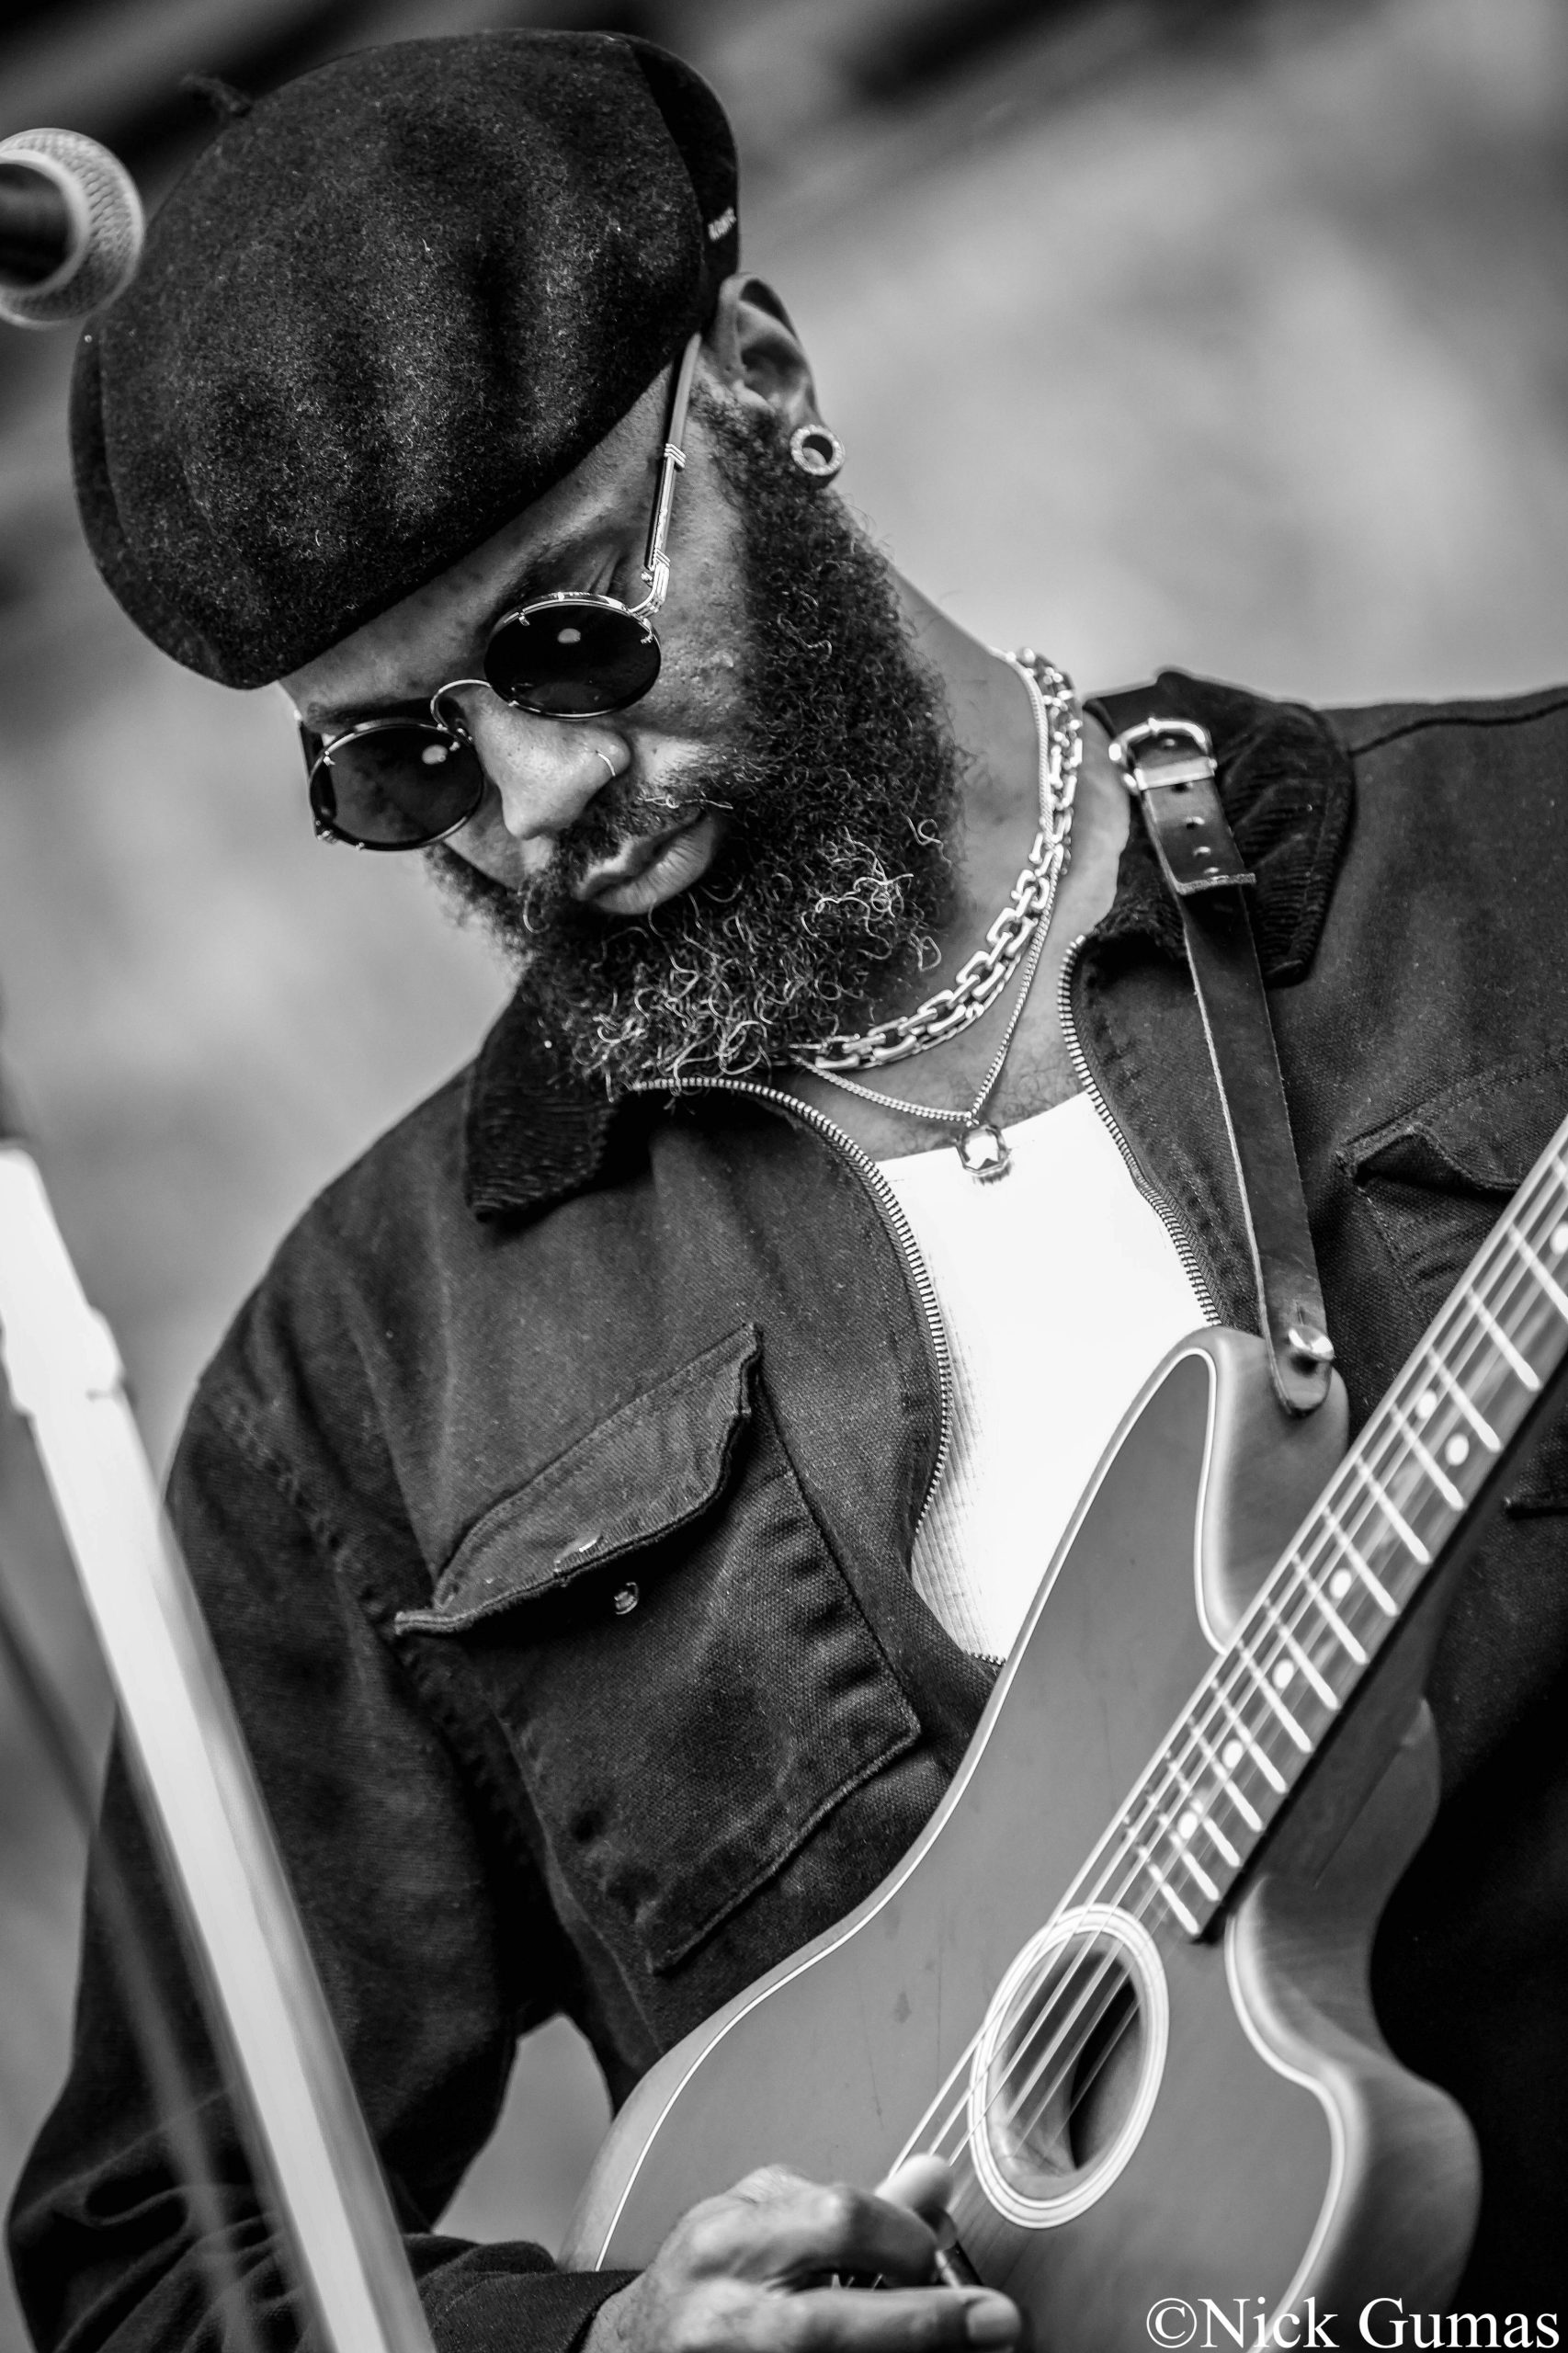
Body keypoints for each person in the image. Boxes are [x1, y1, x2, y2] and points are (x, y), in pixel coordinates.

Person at [10, 27, 1568, 2349]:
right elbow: (159, 2258)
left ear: (758, 376)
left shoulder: (1518, 873)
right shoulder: (365, 1376)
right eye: (399, 758)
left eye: (568, 638)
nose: (535, 796)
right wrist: (610, 2341)